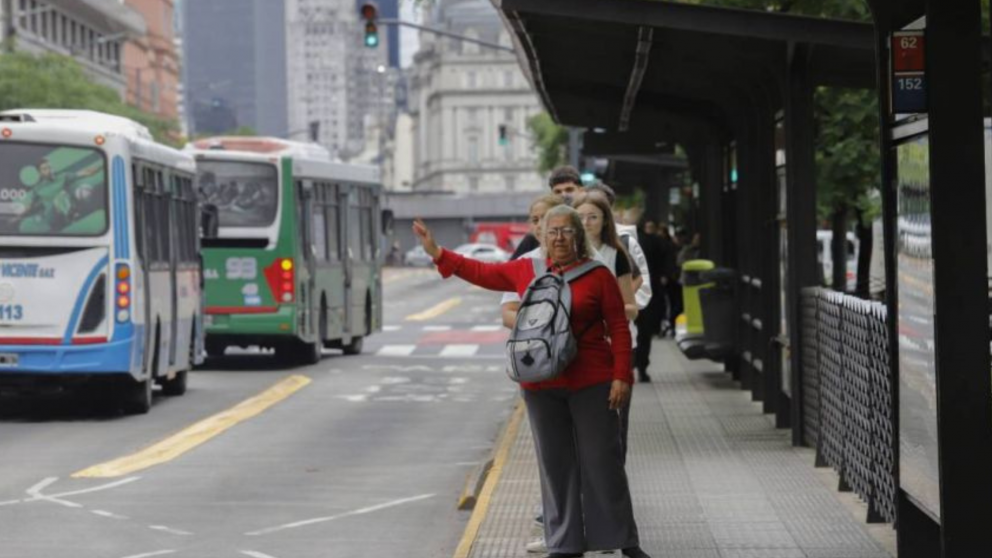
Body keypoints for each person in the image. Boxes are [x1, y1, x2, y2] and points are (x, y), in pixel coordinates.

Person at [413, 207, 650, 558]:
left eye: (566, 231)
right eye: (552, 231)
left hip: (592, 381)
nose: (559, 238)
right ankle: (565, 543)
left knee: (603, 460)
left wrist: (621, 377)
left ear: (578, 236)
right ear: (542, 236)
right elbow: (483, 272)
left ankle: (623, 540)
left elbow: (618, 327)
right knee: (555, 465)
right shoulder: (528, 269)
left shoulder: (598, 274)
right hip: (541, 383)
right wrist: (438, 253)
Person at [510, 166, 585, 260]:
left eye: (569, 190)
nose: (564, 195)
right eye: (558, 191)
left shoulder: (589, 224)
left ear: (581, 191)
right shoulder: (534, 237)